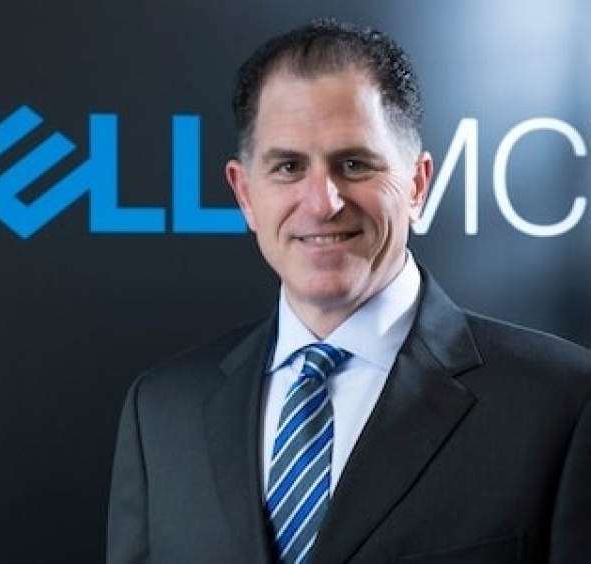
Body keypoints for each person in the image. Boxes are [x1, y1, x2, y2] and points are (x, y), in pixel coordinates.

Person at [107, 18, 591, 564]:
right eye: (288, 166)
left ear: (417, 185)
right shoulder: (162, 412)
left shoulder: (564, 403)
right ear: (245, 195)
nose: (323, 203)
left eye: (354, 164)